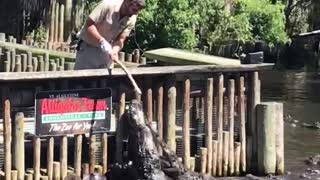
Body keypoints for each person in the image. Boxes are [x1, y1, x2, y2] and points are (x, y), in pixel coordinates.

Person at [74, 0, 145, 70]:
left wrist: (115, 50)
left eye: (138, 10)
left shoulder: (132, 18)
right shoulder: (107, 5)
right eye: (134, 9)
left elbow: (121, 39)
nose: (136, 13)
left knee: (107, 80)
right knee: (83, 80)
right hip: (88, 49)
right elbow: (89, 25)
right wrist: (101, 40)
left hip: (107, 52)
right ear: (127, 2)